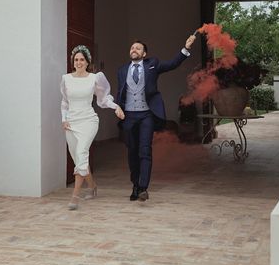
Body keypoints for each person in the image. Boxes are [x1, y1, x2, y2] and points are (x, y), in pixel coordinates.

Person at [117, 34, 196, 202]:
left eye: (138, 48)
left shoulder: (153, 64)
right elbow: (120, 92)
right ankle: (135, 185)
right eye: (132, 48)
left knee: (144, 150)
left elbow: (173, 63)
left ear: (144, 54)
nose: (134, 50)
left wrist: (186, 48)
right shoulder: (122, 70)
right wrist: (118, 108)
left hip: (146, 114)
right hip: (129, 115)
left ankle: (143, 187)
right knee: (132, 152)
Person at [61, 45, 124, 210]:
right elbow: (64, 102)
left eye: (82, 59)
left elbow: (103, 99)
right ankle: (92, 186)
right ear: (72, 62)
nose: (79, 62)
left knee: (82, 153)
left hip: (88, 121)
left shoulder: (94, 78)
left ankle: (74, 197)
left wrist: (115, 107)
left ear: (87, 62)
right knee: (78, 159)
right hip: (71, 123)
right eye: (76, 59)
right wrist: (64, 119)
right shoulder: (66, 78)